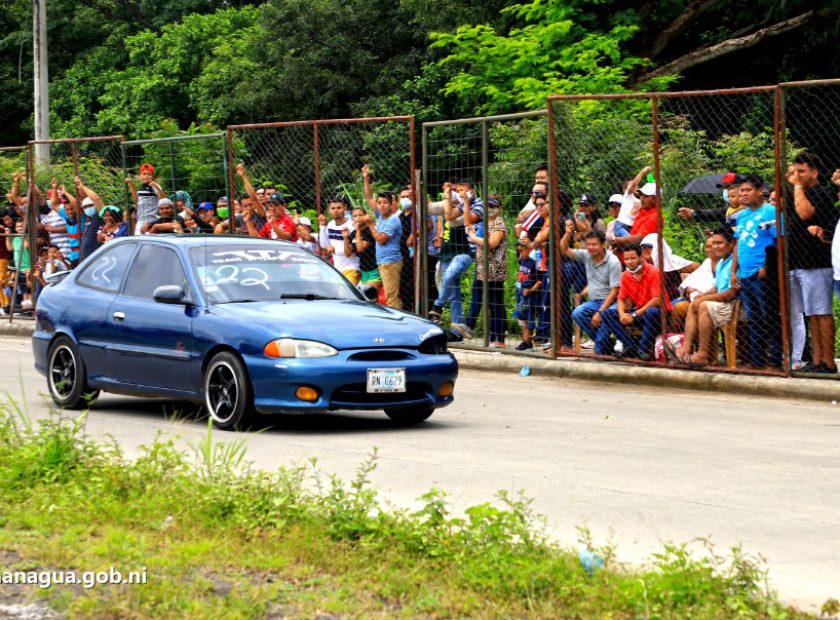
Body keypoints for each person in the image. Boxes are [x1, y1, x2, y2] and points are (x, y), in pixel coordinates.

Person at [785, 153, 838, 374]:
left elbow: (806, 213)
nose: (796, 176)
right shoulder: (797, 194)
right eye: (794, 171)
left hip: (817, 263)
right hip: (798, 263)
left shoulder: (821, 193)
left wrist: (797, 187)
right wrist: (795, 187)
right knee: (811, 314)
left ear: (814, 173)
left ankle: (828, 361)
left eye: (802, 171)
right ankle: (817, 360)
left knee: (822, 312)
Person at [731, 174, 782, 370]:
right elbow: (738, 244)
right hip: (744, 275)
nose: (743, 194)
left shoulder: (771, 212)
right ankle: (757, 360)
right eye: (741, 191)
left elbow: (779, 242)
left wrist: (768, 267)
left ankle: (775, 360)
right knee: (754, 319)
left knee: (770, 316)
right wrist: (733, 271)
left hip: (763, 275)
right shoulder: (742, 215)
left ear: (760, 190)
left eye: (747, 190)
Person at [674, 228, 738, 365]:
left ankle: (703, 354)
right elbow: (717, 287)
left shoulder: (735, 263)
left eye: (719, 243)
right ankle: (686, 349)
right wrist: (702, 295)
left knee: (703, 305)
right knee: (694, 304)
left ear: (731, 243)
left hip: (732, 305)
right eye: (713, 243)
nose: (715, 247)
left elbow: (732, 293)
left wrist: (705, 299)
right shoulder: (721, 262)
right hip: (720, 303)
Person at [600, 243, 670, 360]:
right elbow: (621, 298)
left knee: (651, 312)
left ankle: (643, 349)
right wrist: (622, 314)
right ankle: (630, 346)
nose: (629, 262)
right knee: (607, 314)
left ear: (641, 257)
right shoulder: (626, 275)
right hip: (638, 312)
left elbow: (657, 300)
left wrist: (634, 314)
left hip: (658, 315)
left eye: (633, 258)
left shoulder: (654, 272)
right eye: (626, 259)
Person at [561, 222, 622, 355]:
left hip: (611, 304)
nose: (590, 248)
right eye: (588, 244)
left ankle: (604, 344)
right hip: (594, 302)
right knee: (577, 313)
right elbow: (564, 249)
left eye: (594, 244)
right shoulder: (587, 255)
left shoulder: (613, 262)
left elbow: (615, 292)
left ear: (603, 245)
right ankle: (606, 343)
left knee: (599, 351)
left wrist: (599, 313)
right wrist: (568, 233)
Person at [428, 182, 475, 338]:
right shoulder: (449, 205)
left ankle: (438, 305)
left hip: (463, 252)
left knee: (448, 275)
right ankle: (457, 332)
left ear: (471, 192)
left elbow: (453, 220)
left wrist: (448, 198)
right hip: (447, 253)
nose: (458, 193)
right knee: (454, 295)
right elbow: (430, 208)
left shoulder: (472, 207)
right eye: (456, 190)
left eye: (461, 190)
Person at [462, 195, 508, 347]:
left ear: (499, 208)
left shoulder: (498, 223)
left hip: (494, 269)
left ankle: (499, 339)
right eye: (487, 206)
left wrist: (473, 237)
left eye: (493, 206)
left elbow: (492, 243)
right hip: (483, 268)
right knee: (488, 301)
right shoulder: (485, 222)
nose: (490, 209)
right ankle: (492, 335)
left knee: (495, 303)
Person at [368, 191, 403, 309]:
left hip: (390, 262)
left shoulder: (393, 220)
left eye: (385, 202)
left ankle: (397, 324)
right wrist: (366, 177)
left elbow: (381, 239)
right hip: (383, 262)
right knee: (390, 295)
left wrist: (370, 225)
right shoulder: (381, 217)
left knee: (391, 297)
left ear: (391, 204)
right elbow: (369, 197)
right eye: (379, 203)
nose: (382, 205)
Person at [319, 197, 360, 284]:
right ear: (329, 210)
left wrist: (334, 250)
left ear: (344, 209)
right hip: (337, 268)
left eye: (339, 208)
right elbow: (324, 246)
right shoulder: (330, 225)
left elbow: (350, 252)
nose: (336, 210)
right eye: (333, 208)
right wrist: (322, 227)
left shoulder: (351, 225)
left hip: (352, 268)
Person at [512, 239, 540, 350]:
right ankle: (526, 341)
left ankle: (527, 341)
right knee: (522, 317)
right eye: (519, 251)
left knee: (529, 318)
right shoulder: (522, 260)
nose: (520, 253)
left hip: (530, 296)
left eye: (522, 251)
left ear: (529, 249)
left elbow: (539, 281)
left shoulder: (534, 263)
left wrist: (530, 290)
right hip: (521, 294)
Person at [345, 206, 381, 291]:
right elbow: (348, 253)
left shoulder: (369, 231)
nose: (358, 218)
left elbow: (360, 248)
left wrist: (358, 230)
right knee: (366, 298)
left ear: (365, 216)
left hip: (374, 269)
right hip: (363, 270)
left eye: (360, 215)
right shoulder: (353, 233)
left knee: (370, 296)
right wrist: (345, 238)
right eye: (355, 216)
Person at [125, 164, 166, 235]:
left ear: (152, 176)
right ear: (140, 175)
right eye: (144, 174)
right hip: (140, 220)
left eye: (149, 174)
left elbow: (164, 200)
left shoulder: (153, 185)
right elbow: (136, 201)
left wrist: (157, 187)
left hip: (151, 220)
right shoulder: (141, 187)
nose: (146, 176)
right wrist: (131, 184)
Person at [613, 166, 652, 238]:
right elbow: (634, 185)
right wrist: (643, 171)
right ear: (625, 189)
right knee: (632, 243)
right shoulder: (628, 196)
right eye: (631, 185)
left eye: (636, 185)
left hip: (632, 228)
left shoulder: (642, 201)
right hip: (621, 226)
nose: (635, 186)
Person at [76, 178, 106, 261]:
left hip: (97, 260)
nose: (88, 208)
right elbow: (82, 200)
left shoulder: (99, 217)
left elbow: (96, 199)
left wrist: (83, 187)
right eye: (85, 207)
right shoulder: (87, 220)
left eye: (90, 206)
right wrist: (79, 189)